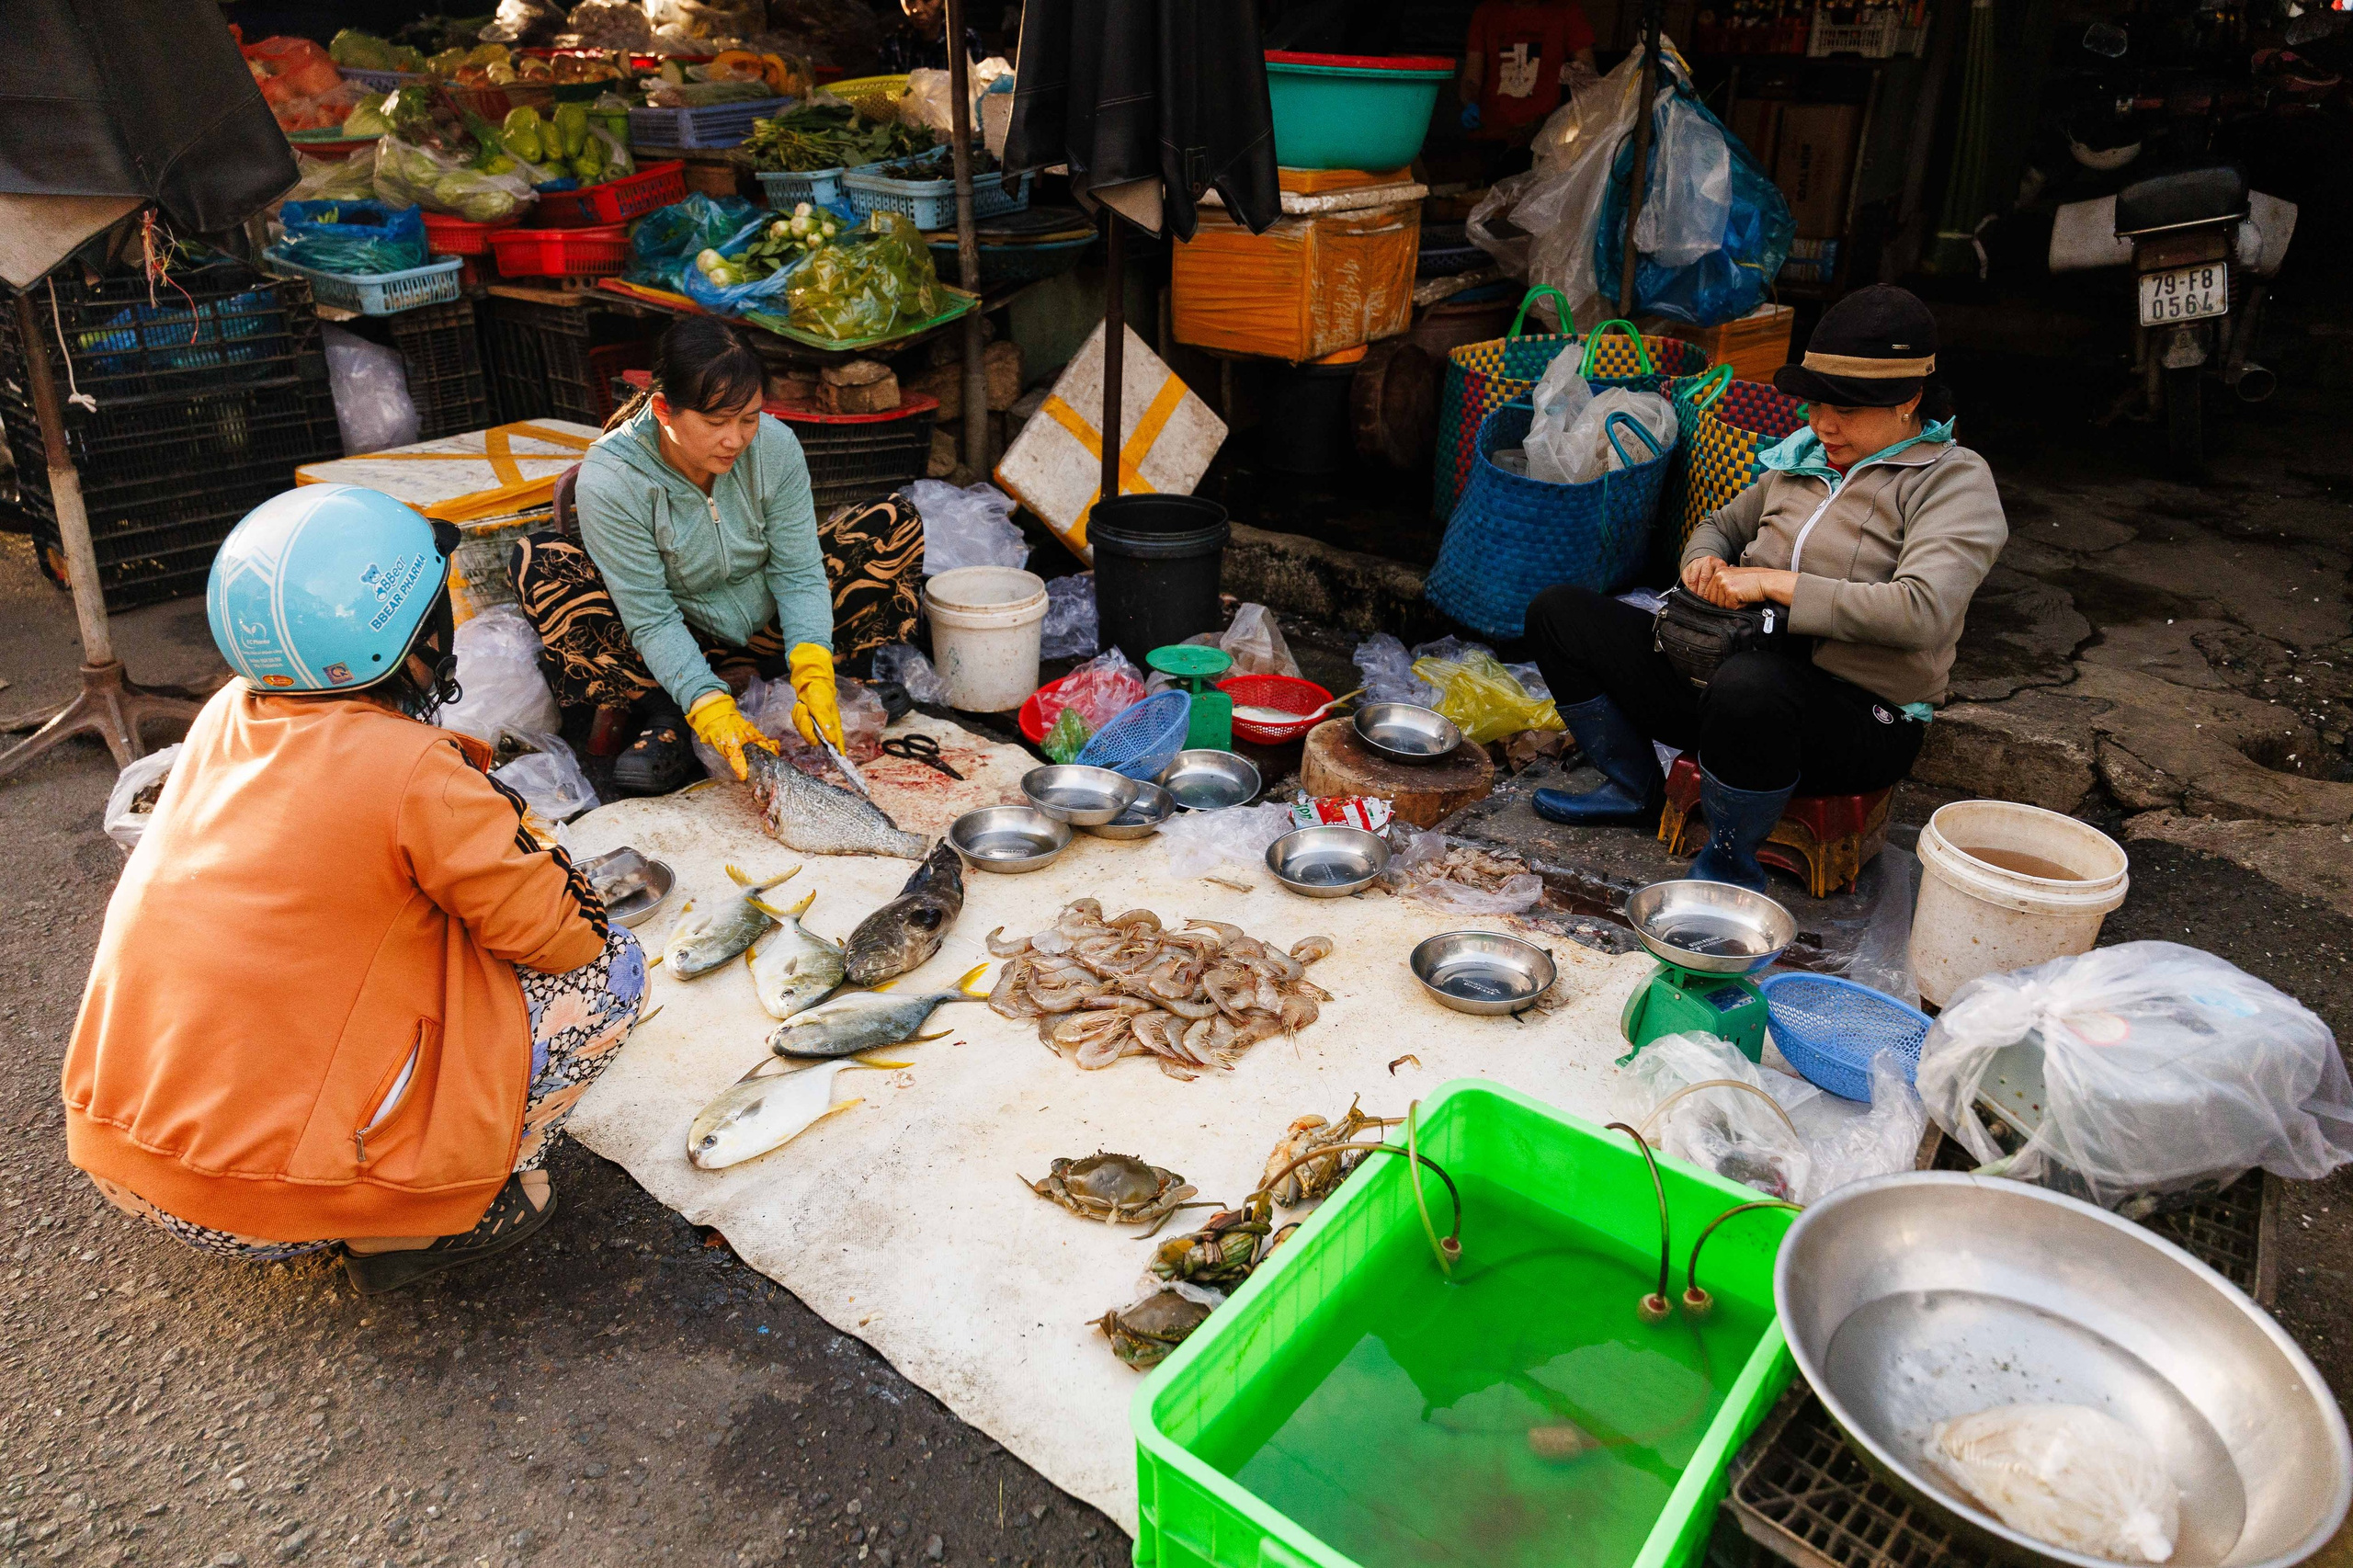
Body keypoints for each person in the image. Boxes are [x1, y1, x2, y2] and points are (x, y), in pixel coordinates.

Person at [63, 484, 644, 1295]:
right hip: (261, 1205)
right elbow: (564, 933)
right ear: (406, 641)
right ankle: (397, 1228)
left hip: (122, 1153)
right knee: (613, 972)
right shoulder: (412, 771)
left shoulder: (230, 713)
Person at [1523, 285, 2008, 891]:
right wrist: (1703, 564)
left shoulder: (1953, 481)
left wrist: (1774, 584)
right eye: (1814, 405)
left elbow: (1922, 612)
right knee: (1558, 613)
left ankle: (1730, 856)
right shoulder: (1802, 459)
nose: (1823, 423)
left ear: (1909, 400)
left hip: (1854, 719)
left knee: (1751, 688)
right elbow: (1719, 526)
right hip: (1731, 680)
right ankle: (1632, 788)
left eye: (1847, 410)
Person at [510, 316, 925, 795]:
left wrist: (811, 662)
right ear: (665, 410)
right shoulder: (613, 478)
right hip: (672, 642)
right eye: (715, 421)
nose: (736, 439)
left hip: (770, 630)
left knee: (892, 521)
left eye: (748, 417)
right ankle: (675, 712)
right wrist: (706, 702)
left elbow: (799, 571)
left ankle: (814, 686)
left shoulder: (774, 446)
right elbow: (650, 617)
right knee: (539, 563)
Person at [1458, 0, 1597, 156]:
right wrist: (1471, 104)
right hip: (1491, 137)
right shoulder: (1487, 12)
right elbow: (1471, 78)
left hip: (1544, 137)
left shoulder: (1566, 10)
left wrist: (1563, 115)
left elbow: (1587, 73)